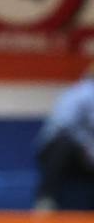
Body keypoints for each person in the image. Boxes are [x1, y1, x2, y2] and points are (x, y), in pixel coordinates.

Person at [35, 61, 94, 210]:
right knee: (63, 144)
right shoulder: (81, 92)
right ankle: (46, 200)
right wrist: (86, 147)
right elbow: (62, 124)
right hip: (61, 151)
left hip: (87, 157)